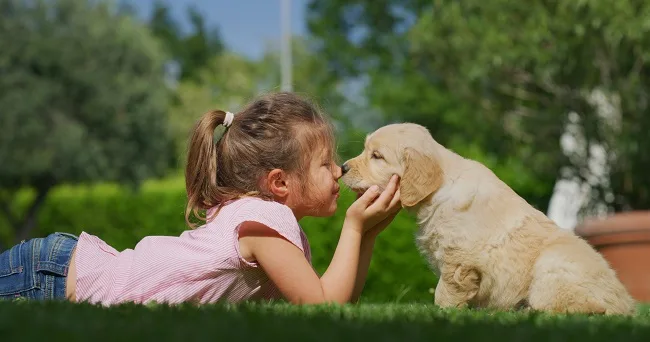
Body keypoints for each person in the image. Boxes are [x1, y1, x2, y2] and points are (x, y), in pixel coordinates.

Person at [0, 92, 401, 306]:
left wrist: (366, 236)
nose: (338, 171)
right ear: (279, 183)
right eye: (325, 163)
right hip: (48, 281)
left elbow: (337, 303)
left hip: (55, 268)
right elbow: (321, 309)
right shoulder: (264, 220)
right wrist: (352, 226)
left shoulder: (258, 217)